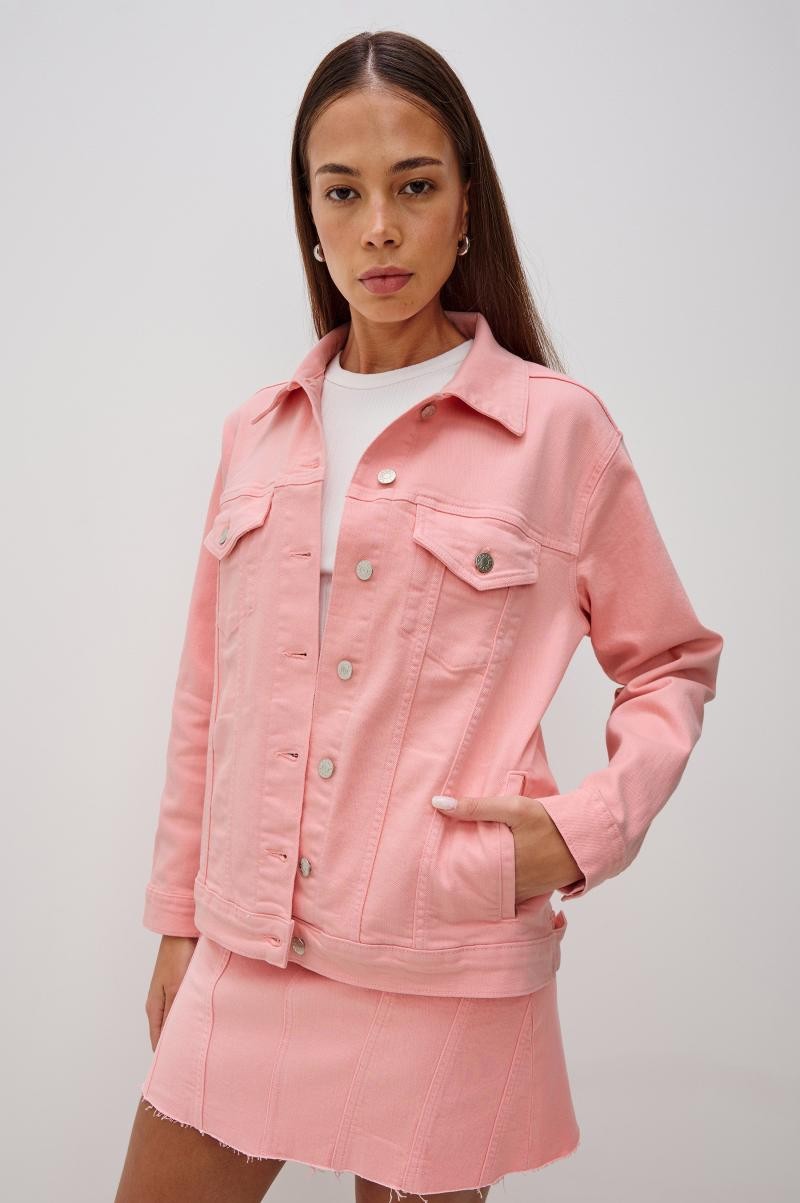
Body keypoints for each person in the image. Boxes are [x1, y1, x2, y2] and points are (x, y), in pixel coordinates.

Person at [114, 28, 724, 1203]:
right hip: (250, 943)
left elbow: (669, 664)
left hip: (445, 952)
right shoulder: (256, 433)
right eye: (342, 191)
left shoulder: (557, 432)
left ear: (464, 205)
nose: (378, 227)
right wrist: (178, 922)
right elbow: (207, 700)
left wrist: (586, 830)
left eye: (414, 185)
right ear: (309, 214)